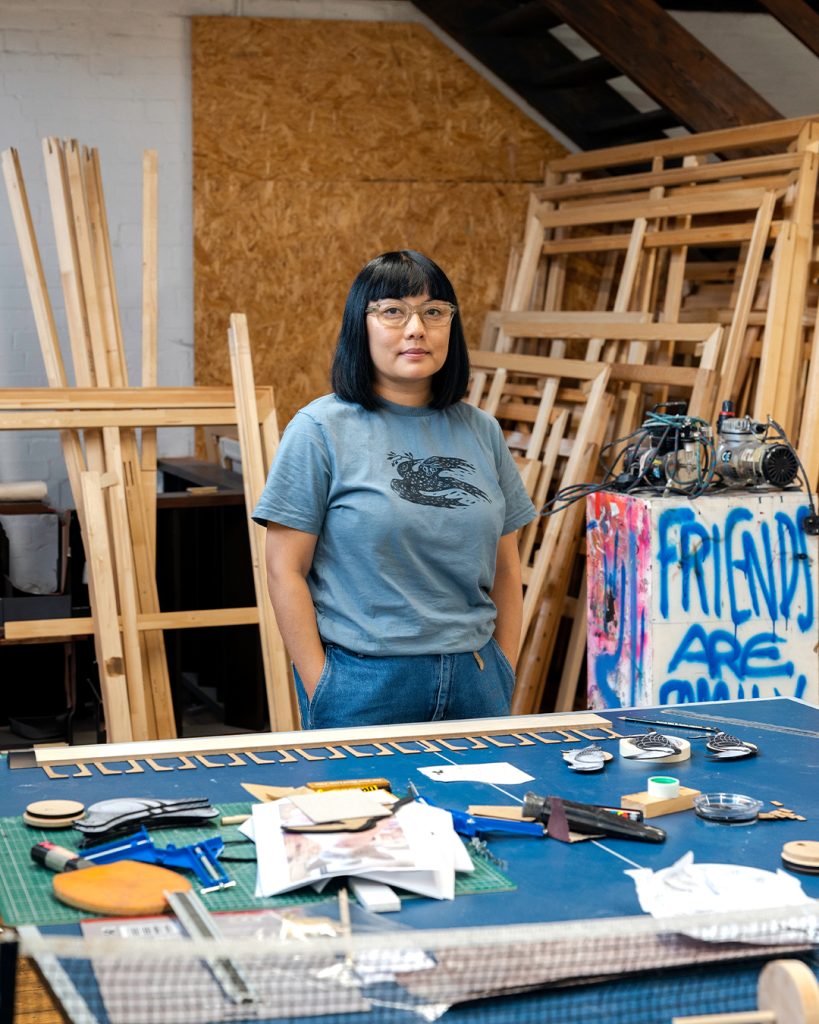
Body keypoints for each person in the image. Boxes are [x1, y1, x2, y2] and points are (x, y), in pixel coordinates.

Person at [253, 250, 537, 729]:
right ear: (360, 326)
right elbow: (285, 569)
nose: (415, 329)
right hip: (364, 684)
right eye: (392, 311)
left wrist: (502, 670)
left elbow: (506, 568)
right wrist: (321, 682)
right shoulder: (320, 429)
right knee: (364, 808)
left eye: (433, 312)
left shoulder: (481, 431)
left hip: (476, 679)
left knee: (482, 806)